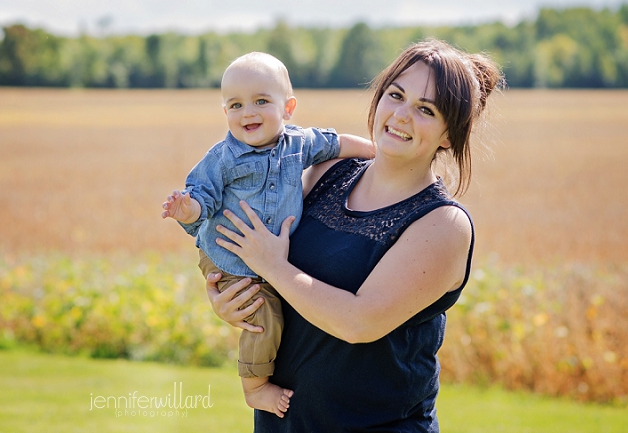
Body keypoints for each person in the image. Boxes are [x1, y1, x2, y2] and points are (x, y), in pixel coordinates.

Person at [205, 39, 504, 432]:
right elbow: (262, 259)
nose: (401, 115)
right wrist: (233, 300)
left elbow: (359, 322)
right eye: (395, 95)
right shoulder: (327, 171)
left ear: (449, 135)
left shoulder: (443, 224)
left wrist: (273, 267)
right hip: (283, 423)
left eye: (426, 109)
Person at [161, 52, 375, 418]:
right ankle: (255, 388)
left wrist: (376, 152)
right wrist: (187, 209)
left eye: (261, 101)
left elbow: (336, 143)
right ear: (224, 112)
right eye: (236, 105)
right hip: (230, 256)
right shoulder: (223, 158)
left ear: (288, 107)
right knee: (262, 315)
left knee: (280, 309)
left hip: (268, 259)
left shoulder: (299, 144)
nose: (248, 112)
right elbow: (203, 197)